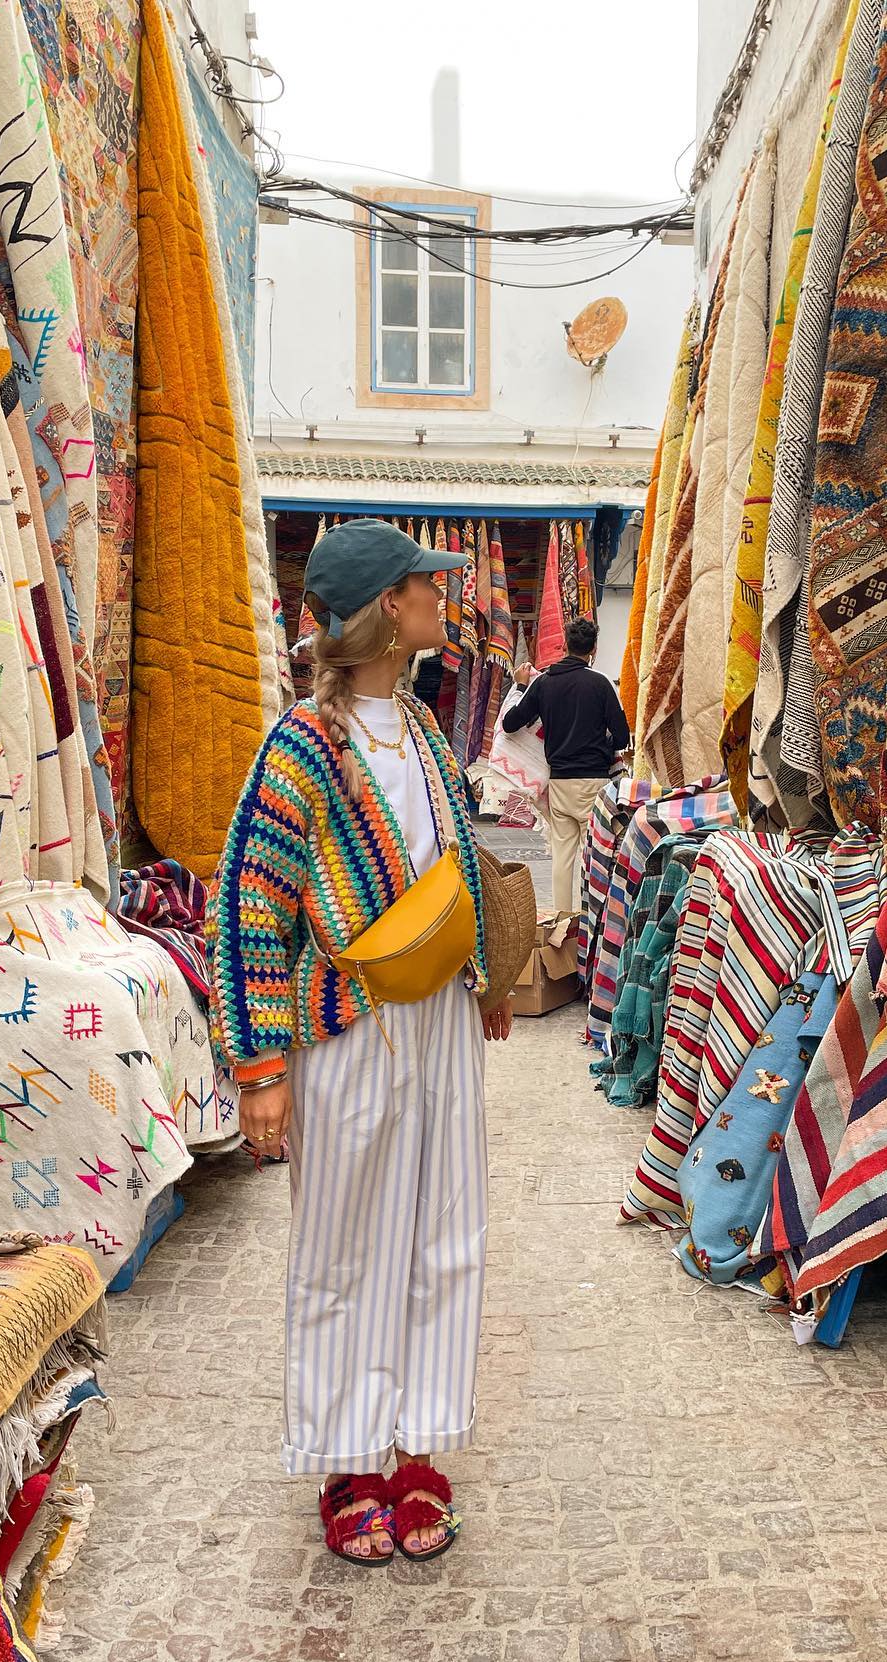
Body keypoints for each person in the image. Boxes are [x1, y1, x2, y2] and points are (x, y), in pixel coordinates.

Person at [209, 518, 513, 1568]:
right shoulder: (302, 742)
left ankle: (417, 1443)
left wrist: (490, 973)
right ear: (391, 606)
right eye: (429, 583)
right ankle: (349, 1459)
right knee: (344, 1246)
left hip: (436, 1024)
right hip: (348, 1026)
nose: (444, 594)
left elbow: (454, 865)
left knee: (443, 1234)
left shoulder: (425, 729)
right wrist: (260, 1070)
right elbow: (252, 903)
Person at [501, 615, 630, 913]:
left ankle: (562, 920)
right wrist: (602, 746)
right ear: (593, 649)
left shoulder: (544, 683)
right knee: (596, 856)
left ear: (564, 645)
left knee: (562, 856)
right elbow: (622, 736)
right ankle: (593, 919)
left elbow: (510, 724)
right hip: (594, 783)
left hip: (558, 781)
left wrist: (520, 687)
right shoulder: (600, 685)